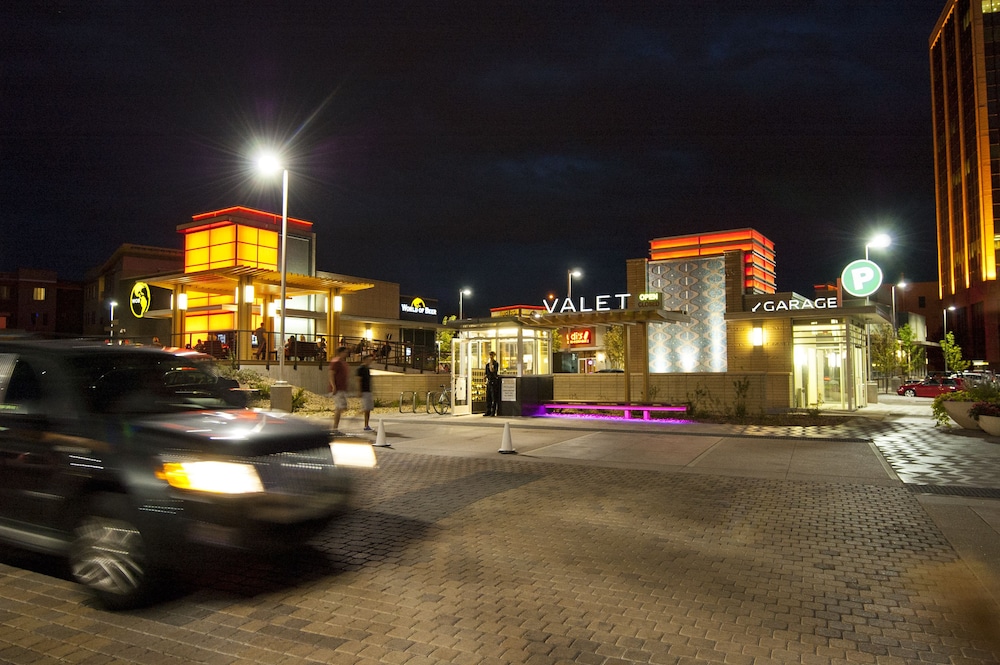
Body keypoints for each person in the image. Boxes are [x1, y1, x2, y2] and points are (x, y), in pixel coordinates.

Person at [327, 346, 349, 433]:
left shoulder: (343, 363)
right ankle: (334, 428)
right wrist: (333, 386)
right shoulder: (335, 362)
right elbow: (331, 374)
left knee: (342, 407)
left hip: (342, 388)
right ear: (340, 352)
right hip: (338, 388)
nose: (347, 354)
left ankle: (334, 424)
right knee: (339, 407)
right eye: (345, 352)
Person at [357, 354, 375, 431]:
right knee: (366, 408)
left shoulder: (367, 369)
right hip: (364, 391)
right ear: (364, 360)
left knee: (368, 408)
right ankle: (365, 424)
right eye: (368, 360)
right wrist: (359, 390)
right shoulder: (361, 369)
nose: (370, 362)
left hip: (368, 390)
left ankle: (367, 424)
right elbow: (358, 380)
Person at [484, 350, 500, 416]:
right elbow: (486, 373)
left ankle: (493, 411)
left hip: (494, 382)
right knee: (488, 397)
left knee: (494, 397)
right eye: (490, 355)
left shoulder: (495, 364)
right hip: (489, 381)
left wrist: (492, 369)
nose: (491, 357)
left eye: (492, 355)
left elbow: (494, 372)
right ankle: (488, 411)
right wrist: (485, 377)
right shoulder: (487, 365)